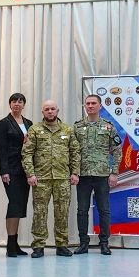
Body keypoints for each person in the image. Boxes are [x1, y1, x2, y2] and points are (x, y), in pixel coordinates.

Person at [22, 100, 79, 258]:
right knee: (40, 213)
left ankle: (62, 245)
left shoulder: (67, 130)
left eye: (53, 109)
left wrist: (75, 173)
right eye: (47, 109)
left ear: (57, 111)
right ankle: (38, 245)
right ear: (43, 112)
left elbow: (75, 152)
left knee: (62, 212)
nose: (50, 111)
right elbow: (27, 153)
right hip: (41, 179)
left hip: (62, 178)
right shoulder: (34, 129)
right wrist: (30, 174)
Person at [73, 94, 121, 256]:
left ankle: (104, 243)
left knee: (104, 210)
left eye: (94, 103)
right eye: (88, 103)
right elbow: (72, 151)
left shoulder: (108, 127)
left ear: (100, 106)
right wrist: (74, 172)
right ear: (84, 106)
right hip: (83, 175)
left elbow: (117, 150)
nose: (90, 106)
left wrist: (114, 172)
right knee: (82, 210)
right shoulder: (77, 127)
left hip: (102, 175)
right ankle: (83, 243)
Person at [0, 93, 32, 257]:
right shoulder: (3, 123)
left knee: (20, 206)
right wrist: (4, 171)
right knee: (14, 204)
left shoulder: (29, 123)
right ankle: (10, 245)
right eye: (14, 101)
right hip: (11, 170)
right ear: (10, 104)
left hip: (25, 170)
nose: (17, 104)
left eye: (20, 101)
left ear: (24, 105)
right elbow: (1, 148)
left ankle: (15, 244)